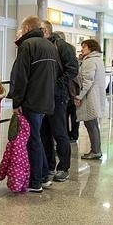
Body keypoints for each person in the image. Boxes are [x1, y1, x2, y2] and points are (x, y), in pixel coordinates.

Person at [9, 16, 57, 193]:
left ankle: (36, 181)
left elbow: (21, 77)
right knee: (37, 137)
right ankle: (44, 175)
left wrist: (17, 101)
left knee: (33, 140)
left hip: (32, 101)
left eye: (22, 29)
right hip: (46, 100)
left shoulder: (27, 46)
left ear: (28, 28)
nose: (20, 32)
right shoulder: (50, 46)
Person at [39, 21, 78, 183]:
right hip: (42, 97)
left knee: (59, 132)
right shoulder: (41, 46)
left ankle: (63, 167)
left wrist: (57, 85)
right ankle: (49, 165)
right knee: (44, 132)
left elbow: (73, 68)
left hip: (58, 97)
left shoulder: (62, 46)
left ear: (46, 30)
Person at [74, 39, 105, 160]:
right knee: (93, 125)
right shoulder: (97, 59)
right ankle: (96, 149)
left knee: (91, 125)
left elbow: (86, 82)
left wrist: (79, 96)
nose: (82, 49)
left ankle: (95, 151)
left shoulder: (90, 61)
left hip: (90, 98)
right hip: (95, 97)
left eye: (84, 47)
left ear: (91, 48)